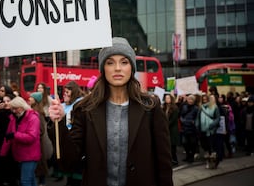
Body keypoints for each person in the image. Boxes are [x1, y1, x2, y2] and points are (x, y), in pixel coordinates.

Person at [49, 37, 173, 186]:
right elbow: (69, 162)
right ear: (103, 69)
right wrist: (59, 123)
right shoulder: (85, 109)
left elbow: (164, 163)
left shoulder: (150, 107)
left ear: (131, 67)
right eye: (110, 62)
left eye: (124, 62)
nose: (117, 68)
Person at [0, 96, 41, 186]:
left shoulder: (33, 118)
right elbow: (8, 136)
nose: (13, 111)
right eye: (12, 109)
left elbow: (31, 137)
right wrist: (3, 153)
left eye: (15, 109)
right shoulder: (14, 117)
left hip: (30, 155)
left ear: (21, 107)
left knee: (25, 181)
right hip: (20, 154)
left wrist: (14, 135)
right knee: (30, 178)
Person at [0, 94, 19, 186]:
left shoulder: (16, 113)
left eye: (8, 101)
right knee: (0, 163)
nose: (6, 103)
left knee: (11, 165)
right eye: (4, 101)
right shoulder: (0, 112)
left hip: (12, 142)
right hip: (0, 141)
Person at [29, 92, 53, 186]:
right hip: (37, 142)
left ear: (35, 100)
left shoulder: (38, 113)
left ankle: (41, 182)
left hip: (38, 143)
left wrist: (32, 133)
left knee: (40, 164)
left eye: (31, 98)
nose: (29, 99)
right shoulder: (34, 110)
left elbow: (41, 129)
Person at [196, 94, 220, 169]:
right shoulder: (201, 108)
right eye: (203, 100)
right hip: (202, 130)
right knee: (205, 146)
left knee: (211, 147)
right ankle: (209, 161)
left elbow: (217, 118)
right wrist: (197, 125)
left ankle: (213, 162)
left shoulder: (215, 107)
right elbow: (198, 117)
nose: (205, 101)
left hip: (211, 130)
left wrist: (212, 125)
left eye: (206, 99)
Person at [179, 94, 198, 163]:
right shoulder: (184, 107)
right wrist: (182, 120)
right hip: (185, 127)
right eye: (189, 99)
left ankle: (191, 157)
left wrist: (194, 122)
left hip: (192, 129)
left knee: (192, 143)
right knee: (185, 143)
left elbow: (197, 118)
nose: (190, 101)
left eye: (192, 99)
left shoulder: (196, 108)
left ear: (193, 101)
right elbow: (181, 115)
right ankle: (187, 155)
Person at [162, 93, 179, 166]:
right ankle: (169, 160)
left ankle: (175, 160)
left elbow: (173, 120)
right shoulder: (164, 107)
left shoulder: (175, 108)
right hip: (166, 129)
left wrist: (165, 125)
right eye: (166, 98)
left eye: (168, 98)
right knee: (167, 146)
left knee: (172, 146)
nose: (167, 99)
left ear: (171, 99)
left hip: (172, 130)